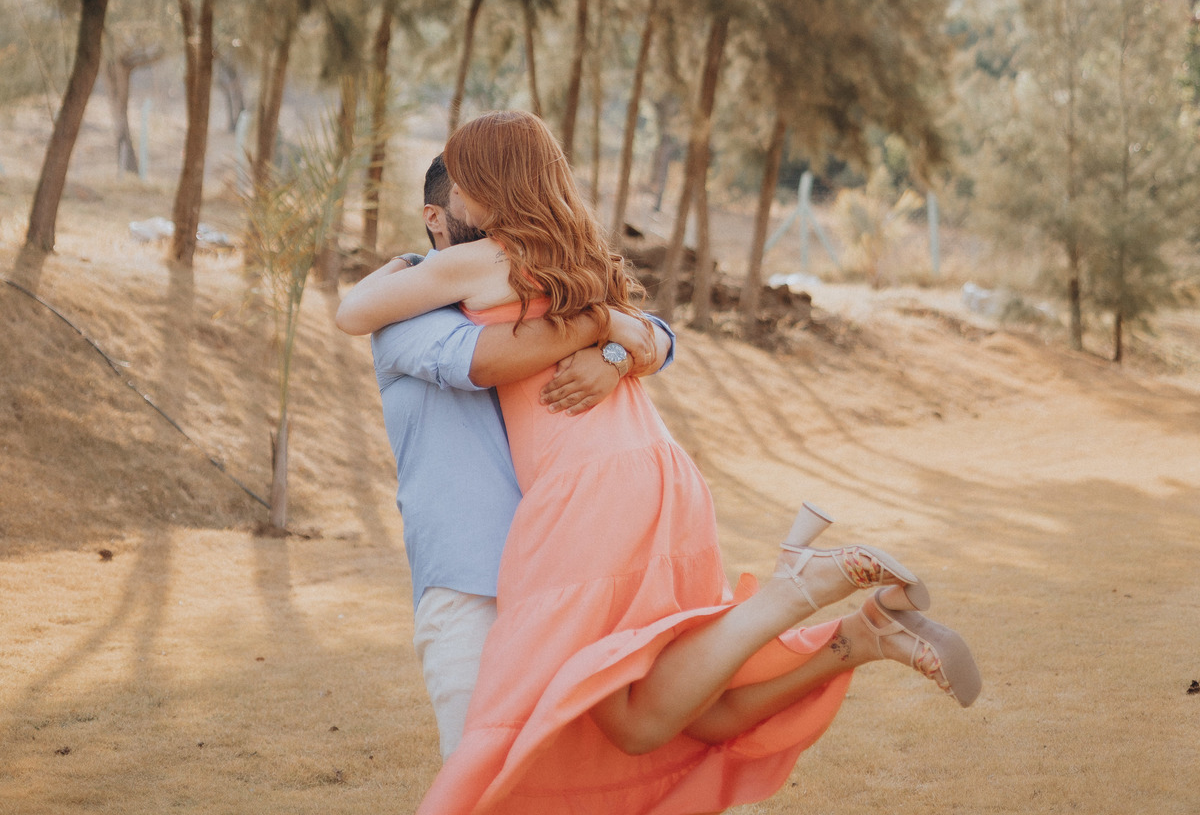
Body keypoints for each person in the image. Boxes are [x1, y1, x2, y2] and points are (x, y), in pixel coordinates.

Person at [338, 112, 981, 815]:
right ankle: (858, 635)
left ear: (490, 189)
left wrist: (612, 343)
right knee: (673, 714)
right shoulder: (574, 258)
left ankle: (796, 588)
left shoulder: (477, 264)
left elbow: (359, 312)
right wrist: (605, 329)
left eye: (467, 183)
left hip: (581, 500)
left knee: (575, 744)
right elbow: (561, 347)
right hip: (646, 473)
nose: (460, 200)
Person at [360, 153, 676, 757]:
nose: (492, 212)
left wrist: (615, 355)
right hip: (473, 582)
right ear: (435, 217)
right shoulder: (404, 313)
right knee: (483, 775)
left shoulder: (530, 289)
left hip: (568, 570)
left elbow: (656, 333)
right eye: (471, 196)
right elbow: (488, 359)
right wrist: (600, 326)